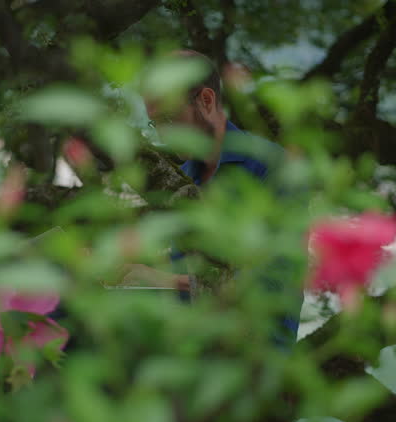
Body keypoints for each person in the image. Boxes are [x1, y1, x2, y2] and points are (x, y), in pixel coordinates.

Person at [119, 49, 301, 344]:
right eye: (155, 123)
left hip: (254, 352)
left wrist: (160, 279)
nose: (163, 134)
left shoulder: (272, 165)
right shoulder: (182, 178)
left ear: (206, 101)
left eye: (167, 117)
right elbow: (190, 271)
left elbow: (271, 276)